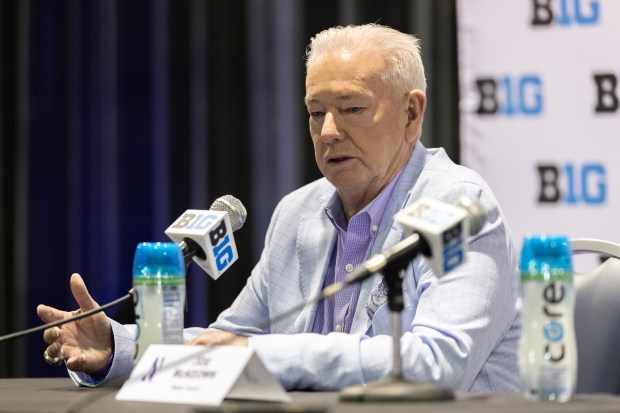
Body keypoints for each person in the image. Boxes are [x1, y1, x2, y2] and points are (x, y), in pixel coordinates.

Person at [37, 23, 520, 392]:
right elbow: (231, 339)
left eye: (351, 108)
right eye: (315, 112)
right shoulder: (298, 212)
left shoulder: (459, 207)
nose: (328, 131)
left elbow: (439, 364)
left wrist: (261, 353)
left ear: (412, 113)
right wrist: (118, 350)